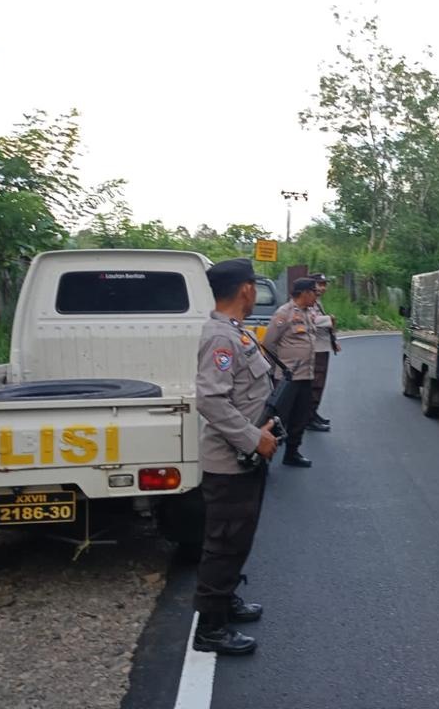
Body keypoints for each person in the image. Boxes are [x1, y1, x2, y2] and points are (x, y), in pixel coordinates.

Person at [193, 258, 279, 655]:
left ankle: (224, 601)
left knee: (238, 540)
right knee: (224, 544)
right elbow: (211, 400)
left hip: (245, 459)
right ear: (246, 289)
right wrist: (253, 439)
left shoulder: (235, 331)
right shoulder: (220, 337)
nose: (254, 291)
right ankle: (210, 629)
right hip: (230, 463)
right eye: (253, 286)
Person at [263, 277, 318, 467]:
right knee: (279, 418)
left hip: (306, 375)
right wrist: (279, 367)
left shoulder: (309, 312)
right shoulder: (284, 313)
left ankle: (292, 453)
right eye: (314, 292)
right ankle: (264, 455)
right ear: (305, 293)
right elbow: (269, 343)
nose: (316, 296)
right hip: (288, 378)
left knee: (300, 417)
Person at [307, 272, 341, 431]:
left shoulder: (317, 301)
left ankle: (313, 413)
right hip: (315, 347)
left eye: (324, 285)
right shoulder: (308, 301)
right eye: (319, 284)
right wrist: (329, 319)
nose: (323, 288)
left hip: (322, 346)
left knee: (319, 383)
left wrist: (334, 341)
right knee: (315, 383)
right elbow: (309, 320)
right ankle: (309, 417)